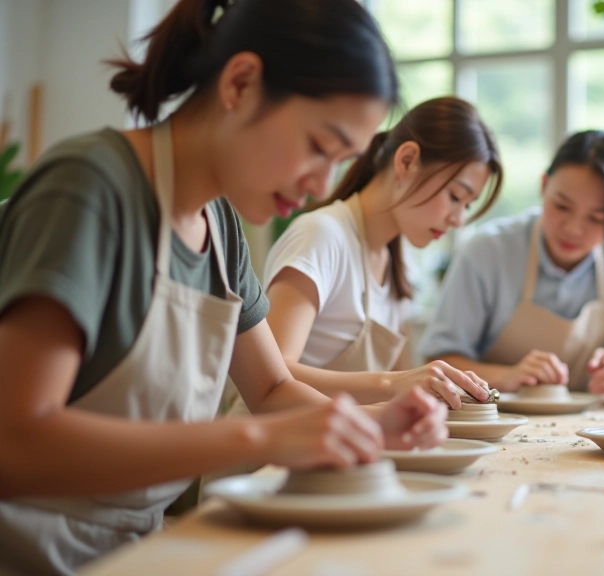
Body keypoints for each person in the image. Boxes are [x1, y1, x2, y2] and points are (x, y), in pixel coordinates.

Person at [0, 1, 447, 574]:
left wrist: (374, 423)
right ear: (240, 83)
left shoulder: (222, 226)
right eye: (318, 146)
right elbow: (17, 444)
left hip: (139, 551)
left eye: (342, 162)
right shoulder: (89, 188)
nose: (320, 186)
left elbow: (273, 387)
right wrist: (263, 441)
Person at [253, 96, 502, 410]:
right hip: (274, 451)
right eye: (456, 196)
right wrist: (392, 383)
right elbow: (269, 375)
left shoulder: (401, 264)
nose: (459, 219)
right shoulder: (322, 235)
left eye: (467, 205)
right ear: (407, 161)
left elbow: (402, 394)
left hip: (345, 448)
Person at [421, 130, 604, 394]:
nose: (573, 229)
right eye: (561, 206)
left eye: (596, 218)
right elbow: (437, 362)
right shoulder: (487, 250)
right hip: (496, 420)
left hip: (592, 425)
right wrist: (508, 376)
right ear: (544, 185)